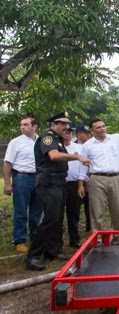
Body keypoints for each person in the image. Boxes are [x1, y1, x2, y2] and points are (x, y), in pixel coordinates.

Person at [26, 112, 92, 271]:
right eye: (62, 124)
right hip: (49, 183)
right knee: (51, 218)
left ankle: (52, 251)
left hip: (59, 182)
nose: (66, 127)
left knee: (57, 218)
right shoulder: (48, 137)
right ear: (53, 124)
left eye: (66, 124)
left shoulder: (58, 140)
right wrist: (76, 157)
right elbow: (53, 156)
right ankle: (33, 255)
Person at [3, 117, 43, 253]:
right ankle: (19, 240)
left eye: (26, 124)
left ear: (34, 126)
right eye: (21, 125)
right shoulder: (15, 142)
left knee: (37, 210)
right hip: (22, 178)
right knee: (21, 211)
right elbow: (7, 163)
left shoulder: (41, 141)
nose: (22, 127)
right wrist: (7, 183)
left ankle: (35, 236)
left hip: (38, 178)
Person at [63, 127, 86, 248]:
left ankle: (74, 239)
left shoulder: (79, 148)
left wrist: (81, 184)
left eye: (69, 133)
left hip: (74, 183)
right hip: (59, 184)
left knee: (74, 213)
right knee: (57, 214)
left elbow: (83, 166)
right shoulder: (56, 147)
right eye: (65, 132)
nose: (67, 135)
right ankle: (56, 241)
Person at [74, 125, 92, 232]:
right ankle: (75, 227)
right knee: (75, 204)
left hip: (88, 177)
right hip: (74, 178)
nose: (88, 136)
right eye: (86, 133)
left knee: (89, 203)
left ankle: (89, 225)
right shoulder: (72, 145)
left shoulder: (90, 145)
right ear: (79, 134)